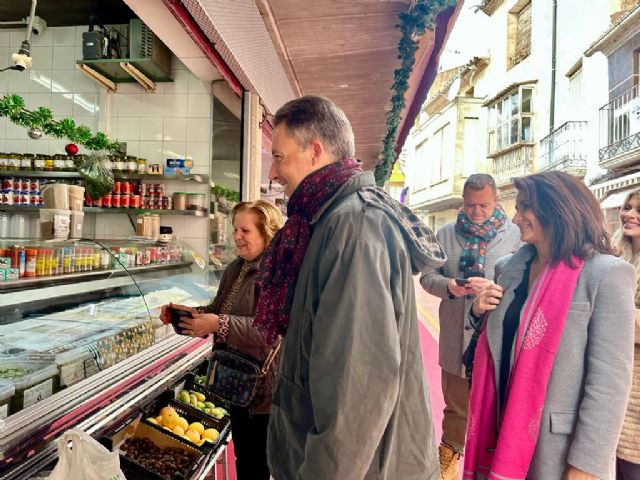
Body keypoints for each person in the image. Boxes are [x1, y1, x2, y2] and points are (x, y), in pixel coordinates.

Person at [254, 95, 447, 480]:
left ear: (315, 151)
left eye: (279, 156)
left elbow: (357, 393)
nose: (273, 172)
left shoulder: (353, 230)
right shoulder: (324, 221)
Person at [465, 171, 636, 480]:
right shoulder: (510, 268)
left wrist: (586, 465)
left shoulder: (605, 274)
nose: (516, 217)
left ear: (559, 208)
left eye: (525, 207)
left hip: (558, 444)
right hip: (501, 421)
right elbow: (503, 341)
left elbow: (610, 381)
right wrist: (479, 312)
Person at [160, 200, 284, 480]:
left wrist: (218, 323)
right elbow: (219, 310)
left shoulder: (276, 275)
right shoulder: (236, 269)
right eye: (235, 229)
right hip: (237, 382)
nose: (237, 237)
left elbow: (270, 331)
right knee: (245, 460)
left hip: (265, 390)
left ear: (268, 233)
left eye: (246, 230)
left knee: (260, 465)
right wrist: (189, 317)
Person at [420, 173, 521, 480]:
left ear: (497, 201)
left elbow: (526, 282)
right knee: (455, 406)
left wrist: (494, 286)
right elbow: (427, 277)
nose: (476, 211)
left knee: (497, 406)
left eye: (484, 205)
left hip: (497, 336)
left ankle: (493, 465)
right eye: (470, 205)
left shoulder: (517, 234)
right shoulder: (446, 233)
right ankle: (448, 463)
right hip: (454, 337)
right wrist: (450, 285)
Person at [613, 190, 640, 479]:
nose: (629, 214)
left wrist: (609, 312)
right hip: (617, 372)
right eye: (627, 207)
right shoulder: (616, 253)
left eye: (639, 210)